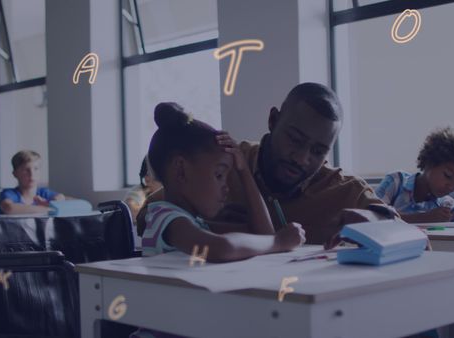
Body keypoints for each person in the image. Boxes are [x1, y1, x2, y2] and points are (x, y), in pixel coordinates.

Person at [137, 83, 398, 248]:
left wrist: (371, 219)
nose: (301, 158)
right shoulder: (225, 162)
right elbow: (151, 211)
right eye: (295, 139)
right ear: (273, 120)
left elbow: (404, 232)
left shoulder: (344, 191)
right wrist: (203, 221)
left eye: (318, 151)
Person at [140, 102, 305, 261]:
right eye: (219, 175)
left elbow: (265, 236)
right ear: (181, 170)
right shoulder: (166, 218)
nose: (226, 187)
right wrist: (279, 241)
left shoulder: (194, 221)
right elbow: (222, 248)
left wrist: (244, 171)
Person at [375, 127, 454, 222]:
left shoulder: (445, 206)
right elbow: (369, 216)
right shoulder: (396, 182)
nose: (451, 186)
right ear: (430, 162)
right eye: (447, 175)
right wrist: (422, 218)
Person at [0, 150, 65, 215]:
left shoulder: (43, 193)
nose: (32, 174)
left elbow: (61, 197)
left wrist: (56, 200)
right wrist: (48, 209)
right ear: (15, 174)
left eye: (36, 169)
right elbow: (9, 208)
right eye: (26, 170)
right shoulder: (10, 193)